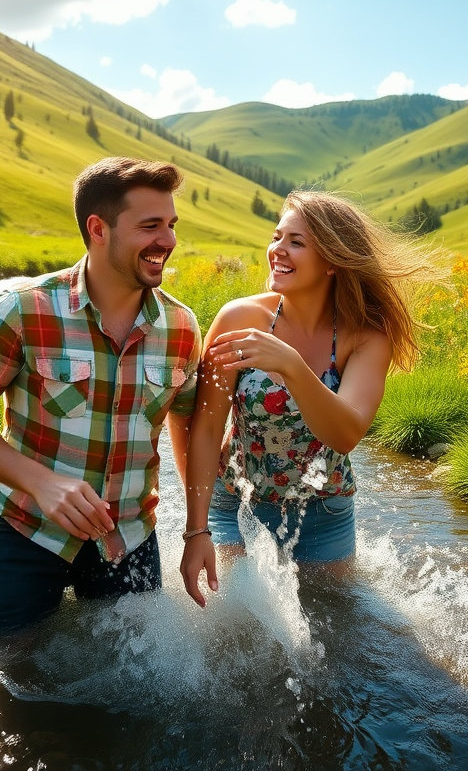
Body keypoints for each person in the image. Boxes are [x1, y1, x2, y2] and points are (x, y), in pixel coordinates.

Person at [0, 157, 201, 633]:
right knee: (11, 675)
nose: (168, 240)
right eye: (150, 225)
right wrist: (40, 482)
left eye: (171, 224)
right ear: (98, 228)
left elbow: (188, 421)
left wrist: (198, 527)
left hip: (130, 536)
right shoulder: (22, 311)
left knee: (131, 691)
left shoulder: (182, 327)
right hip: (24, 531)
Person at [179, 189, 442, 607]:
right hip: (235, 509)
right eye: (277, 237)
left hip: (324, 515)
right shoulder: (238, 318)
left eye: (296, 242)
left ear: (333, 262)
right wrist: (196, 531)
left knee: (335, 639)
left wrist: (292, 366)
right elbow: (206, 428)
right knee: (233, 636)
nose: (277, 250)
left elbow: (346, 433)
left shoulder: (366, 337)